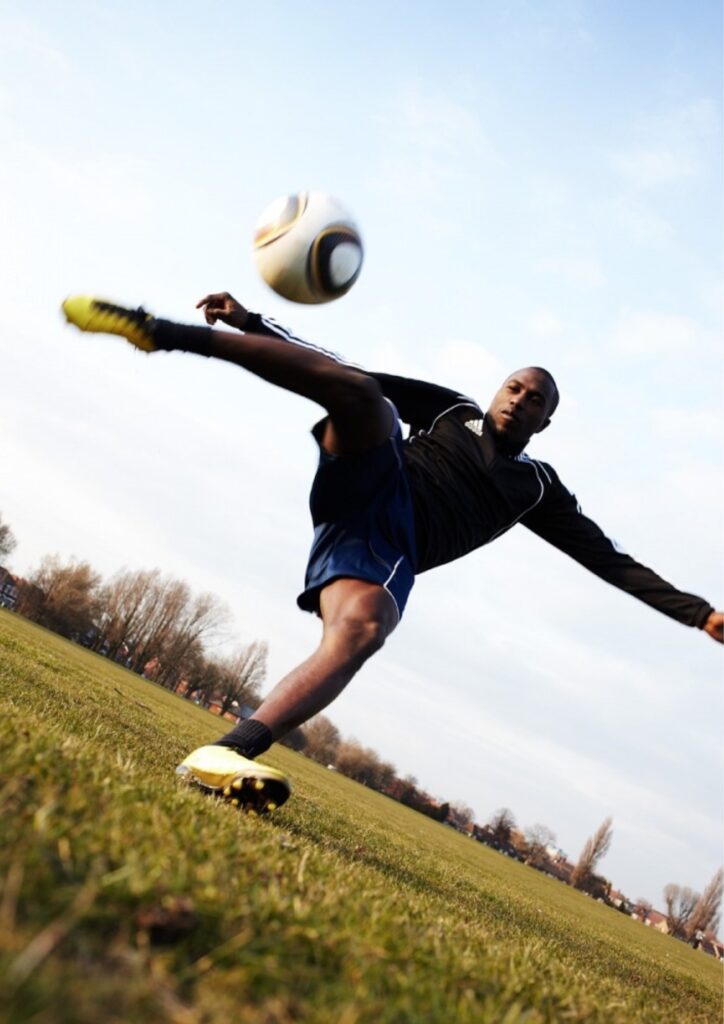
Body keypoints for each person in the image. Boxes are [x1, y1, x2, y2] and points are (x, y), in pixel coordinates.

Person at [62, 293, 723, 813]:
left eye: (537, 401)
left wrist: (701, 615)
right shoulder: (449, 411)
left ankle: (226, 754)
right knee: (363, 395)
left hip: (386, 549)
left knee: (364, 629)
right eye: (516, 387)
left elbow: (612, 561)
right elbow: (346, 371)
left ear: (546, 423)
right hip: (368, 476)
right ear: (499, 391)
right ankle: (163, 333)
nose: (521, 401)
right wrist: (252, 322)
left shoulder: (538, 489)